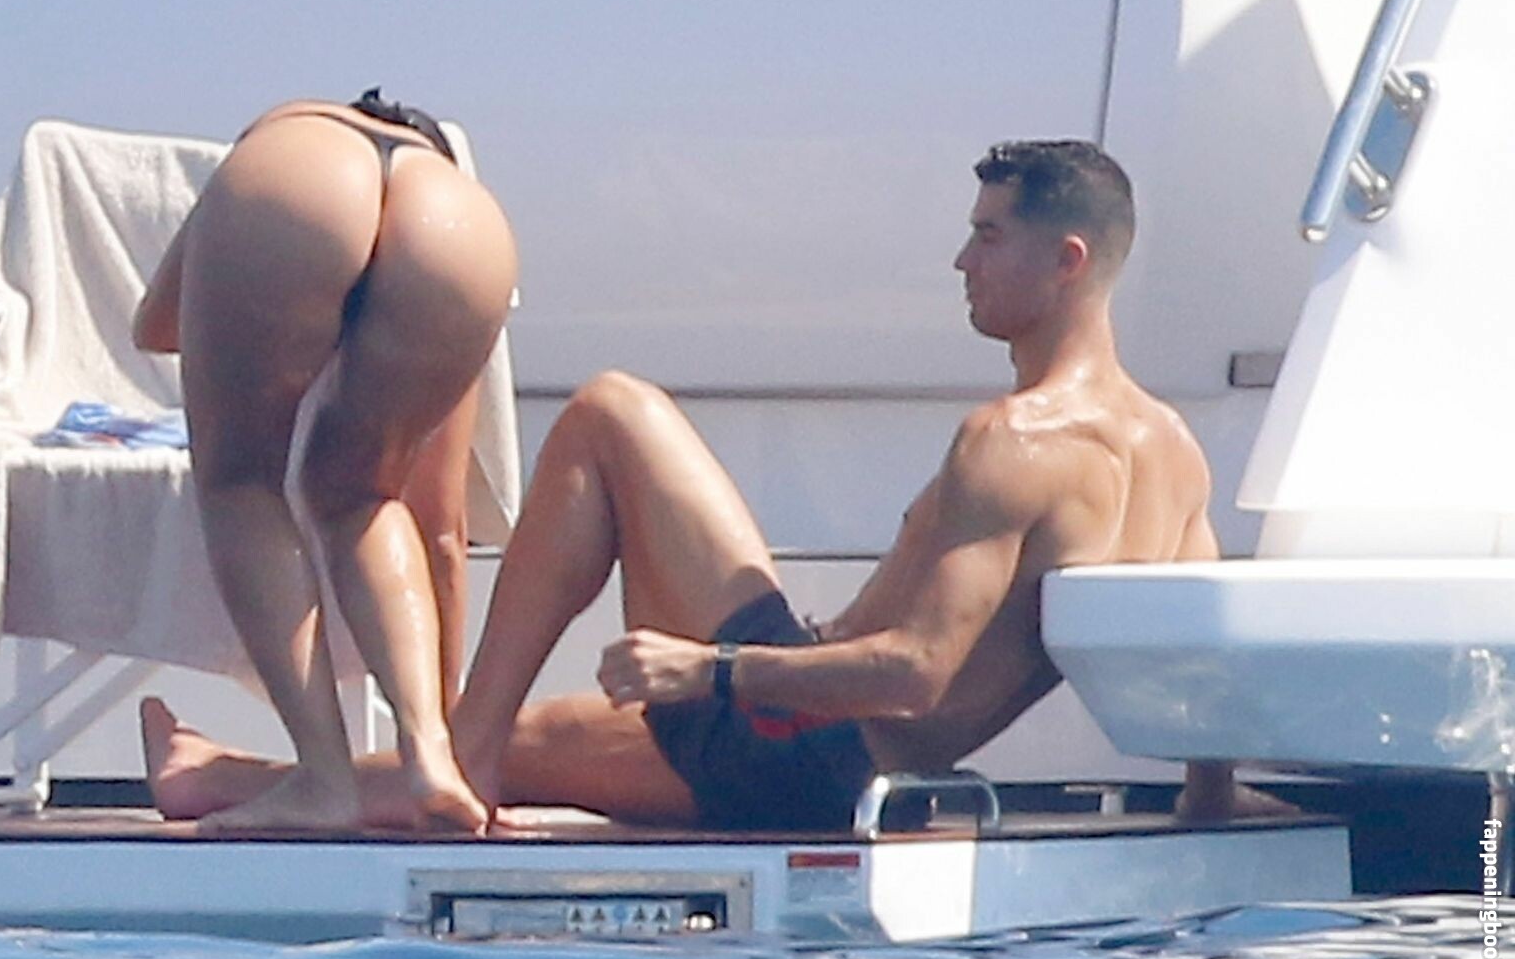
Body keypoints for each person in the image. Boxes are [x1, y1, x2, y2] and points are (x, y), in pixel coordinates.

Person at [143, 139, 1266, 831]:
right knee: (550, 738)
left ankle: (451, 757)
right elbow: (1201, 646)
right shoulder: (1172, 451)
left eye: (987, 236)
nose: (962, 262)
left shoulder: (1013, 439)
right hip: (827, 752)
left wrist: (712, 669)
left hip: (807, 743)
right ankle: (240, 775)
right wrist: (1209, 799)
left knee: (609, 411)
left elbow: (916, 675)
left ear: (1067, 261)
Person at [132, 90, 516, 833]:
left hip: (300, 188)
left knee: (241, 482)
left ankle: (323, 780)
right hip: (461, 230)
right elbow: (441, 530)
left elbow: (156, 325)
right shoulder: (444, 174)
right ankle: (430, 755)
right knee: (366, 496)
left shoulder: (291, 129)